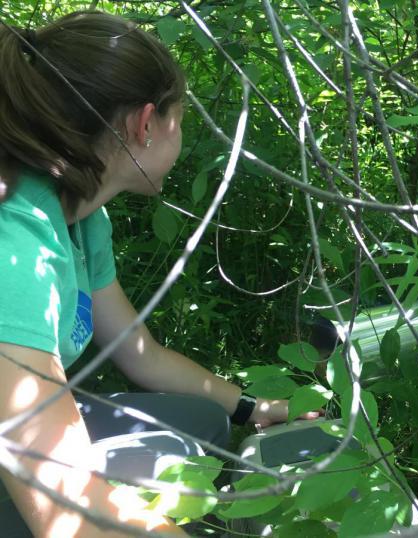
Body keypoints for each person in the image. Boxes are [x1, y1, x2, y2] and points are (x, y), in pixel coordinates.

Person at [0, 10, 317, 537]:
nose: (183, 133)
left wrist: (251, 408)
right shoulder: (17, 246)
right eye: (182, 117)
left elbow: (139, 354)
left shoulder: (78, 220)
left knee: (204, 424)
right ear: (145, 124)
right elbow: (67, 514)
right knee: (176, 477)